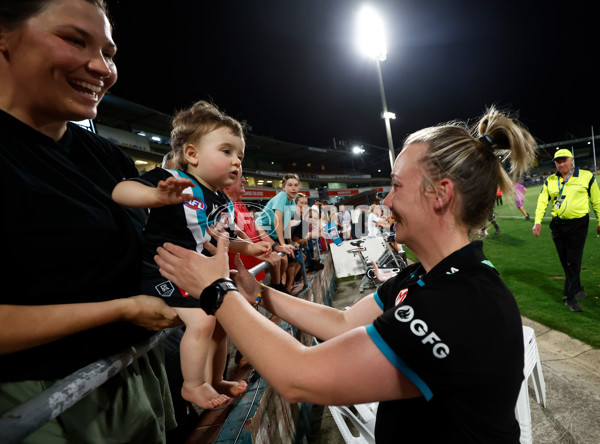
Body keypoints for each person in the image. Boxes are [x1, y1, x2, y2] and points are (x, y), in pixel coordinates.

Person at [154, 106, 536, 443]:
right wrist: (258, 295)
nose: (385, 200)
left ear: (441, 194)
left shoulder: (459, 303)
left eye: (397, 186)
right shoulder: (427, 276)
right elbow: (341, 322)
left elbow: (298, 376)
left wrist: (216, 291)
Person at [0, 1, 182, 441]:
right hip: (34, 400)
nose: (101, 68)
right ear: (4, 36)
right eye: (74, 40)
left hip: (131, 374)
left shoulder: (103, 154)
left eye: (110, 52)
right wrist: (121, 309)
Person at [112, 101, 269, 408]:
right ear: (192, 154)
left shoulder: (220, 199)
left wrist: (248, 247)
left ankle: (214, 378)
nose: (237, 162)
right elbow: (121, 191)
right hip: (161, 272)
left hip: (194, 274)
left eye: (240, 155)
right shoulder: (174, 181)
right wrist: (155, 196)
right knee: (201, 320)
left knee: (221, 321)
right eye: (226, 151)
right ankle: (192, 385)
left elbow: (217, 239)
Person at [532, 148, 600, 312]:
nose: (561, 164)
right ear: (555, 163)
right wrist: (537, 221)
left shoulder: (586, 176)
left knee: (573, 262)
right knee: (566, 262)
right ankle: (578, 289)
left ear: (572, 160)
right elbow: (542, 201)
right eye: (558, 161)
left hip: (578, 225)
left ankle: (569, 298)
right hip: (558, 226)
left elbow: (596, 200)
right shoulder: (550, 180)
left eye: (564, 160)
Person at [223, 175, 285, 286]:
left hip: (254, 267)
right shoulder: (223, 205)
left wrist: (275, 245)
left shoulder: (238, 202)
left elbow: (255, 227)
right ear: (227, 183)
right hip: (240, 272)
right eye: (239, 177)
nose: (244, 180)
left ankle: (279, 286)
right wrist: (253, 249)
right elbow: (235, 233)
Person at [254, 173, 300, 293]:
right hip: (261, 230)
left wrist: (289, 242)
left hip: (272, 234)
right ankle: (277, 286)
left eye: (296, 185)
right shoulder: (282, 197)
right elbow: (277, 221)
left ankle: (278, 286)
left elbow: (285, 224)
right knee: (282, 258)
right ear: (283, 187)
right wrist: (282, 244)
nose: (293, 188)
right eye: (290, 185)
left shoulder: (293, 203)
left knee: (284, 259)